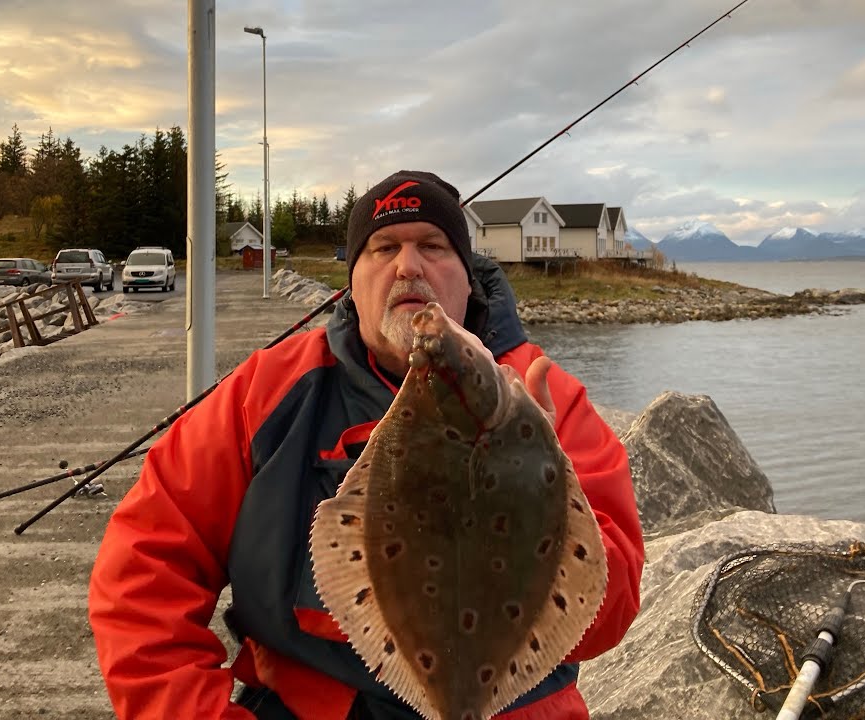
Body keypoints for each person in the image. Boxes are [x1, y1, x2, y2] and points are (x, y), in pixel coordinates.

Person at [88, 170, 645, 719]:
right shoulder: (265, 394)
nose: (408, 265)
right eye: (382, 249)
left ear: (469, 275)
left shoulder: (544, 395)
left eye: (433, 245)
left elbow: (611, 607)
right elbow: (142, 572)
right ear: (351, 281)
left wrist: (537, 488)